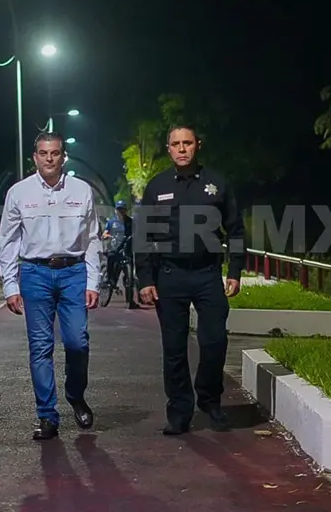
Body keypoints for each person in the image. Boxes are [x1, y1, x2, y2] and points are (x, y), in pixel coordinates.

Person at [135, 125, 245, 435]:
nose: (182, 149)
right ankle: (179, 412)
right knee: (174, 348)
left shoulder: (217, 184)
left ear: (198, 145)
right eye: (176, 144)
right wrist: (145, 279)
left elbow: (235, 230)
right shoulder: (157, 186)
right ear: (168, 149)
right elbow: (143, 236)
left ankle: (210, 400)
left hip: (207, 274)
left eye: (187, 143)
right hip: (169, 276)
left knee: (214, 341)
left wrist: (235, 271)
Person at [0, 131, 102, 441]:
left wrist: (93, 281)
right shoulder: (19, 192)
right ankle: (47, 415)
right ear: (35, 157)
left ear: (63, 156)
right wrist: (10, 285)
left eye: (55, 153)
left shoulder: (81, 190)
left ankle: (76, 395)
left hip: (73, 272)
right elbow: (8, 241)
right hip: (35, 273)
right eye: (43, 153)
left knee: (77, 342)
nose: (49, 158)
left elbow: (92, 238)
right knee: (40, 347)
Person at [102, 200, 139, 309]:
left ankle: (130, 300)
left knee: (129, 277)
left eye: (122, 209)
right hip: (115, 249)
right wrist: (107, 236)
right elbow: (105, 233)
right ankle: (109, 281)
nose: (121, 211)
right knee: (111, 261)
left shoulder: (130, 222)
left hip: (127, 250)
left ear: (126, 210)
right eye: (119, 209)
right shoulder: (111, 222)